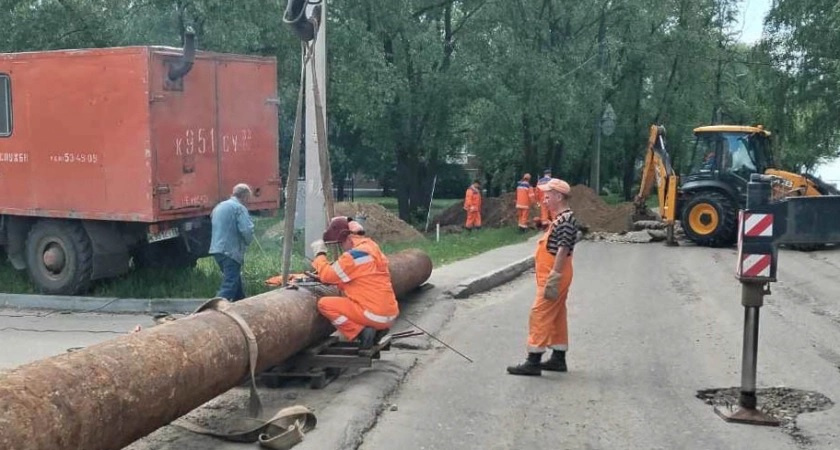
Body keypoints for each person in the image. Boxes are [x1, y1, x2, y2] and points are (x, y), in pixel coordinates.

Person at [507, 178, 580, 376]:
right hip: (554, 273)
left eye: (548, 196)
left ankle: (533, 361)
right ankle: (558, 358)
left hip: (555, 274)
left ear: (559, 197)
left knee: (539, 313)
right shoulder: (561, 218)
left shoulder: (565, 220)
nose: (544, 199)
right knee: (556, 315)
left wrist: (554, 276)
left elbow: (563, 249)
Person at [310, 216, 399, 349]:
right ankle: (376, 331)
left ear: (348, 238)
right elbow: (361, 280)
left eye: (341, 243)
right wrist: (338, 282)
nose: (342, 247)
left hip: (373, 315)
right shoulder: (372, 247)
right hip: (390, 314)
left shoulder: (353, 256)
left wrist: (320, 254)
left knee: (325, 304)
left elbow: (326, 276)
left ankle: (361, 333)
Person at [209, 183, 255, 301]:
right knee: (229, 285)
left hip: (217, 249)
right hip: (230, 251)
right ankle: (215, 307)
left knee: (236, 283)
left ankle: (241, 304)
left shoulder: (219, 207)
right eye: (248, 198)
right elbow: (246, 230)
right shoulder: (239, 208)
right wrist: (248, 241)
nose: (248, 201)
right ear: (245, 196)